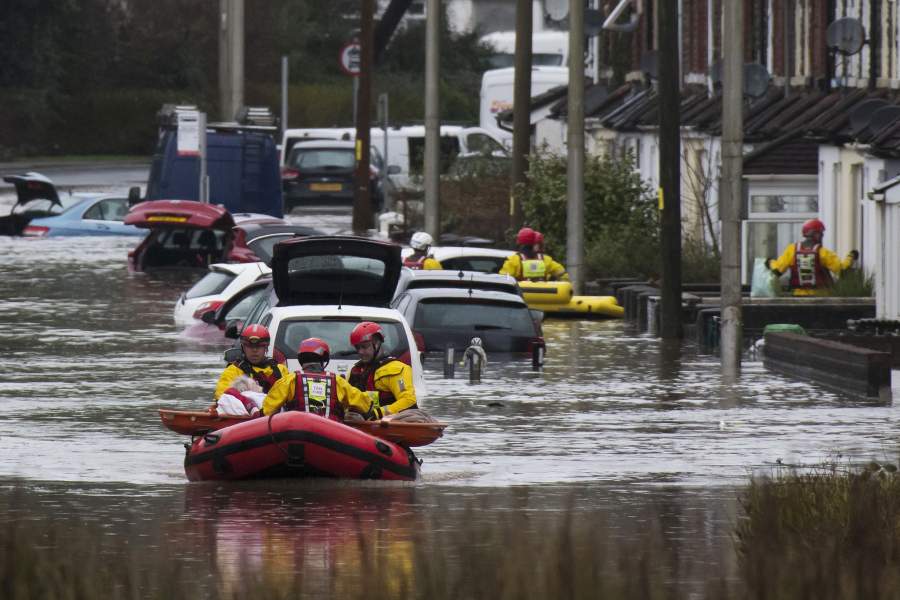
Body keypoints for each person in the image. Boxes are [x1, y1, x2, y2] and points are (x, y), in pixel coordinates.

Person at [261, 338, 382, 420]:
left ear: (300, 359)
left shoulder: (289, 381)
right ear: (324, 359)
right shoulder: (338, 382)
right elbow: (365, 405)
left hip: (297, 438)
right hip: (332, 440)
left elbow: (267, 410)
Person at [767, 218, 858, 296]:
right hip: (822, 297)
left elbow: (777, 270)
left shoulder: (792, 250)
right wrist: (851, 256)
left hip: (798, 297)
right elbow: (842, 270)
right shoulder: (823, 252)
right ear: (817, 234)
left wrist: (770, 262)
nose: (822, 236)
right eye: (821, 234)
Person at [347, 321, 418, 416]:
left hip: (389, 424)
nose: (360, 352)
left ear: (377, 343)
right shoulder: (355, 371)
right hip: (359, 423)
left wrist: (376, 414)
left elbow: (408, 400)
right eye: (357, 348)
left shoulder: (397, 370)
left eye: (364, 347)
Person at [214, 324, 290, 400]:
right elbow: (222, 397)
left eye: (259, 346)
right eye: (250, 346)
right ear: (243, 347)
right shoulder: (233, 371)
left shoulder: (280, 370)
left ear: (266, 347)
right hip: (245, 410)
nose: (254, 350)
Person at [499, 226, 569, 281]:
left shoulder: (514, 260)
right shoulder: (545, 260)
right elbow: (563, 275)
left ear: (519, 242)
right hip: (545, 296)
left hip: (521, 297)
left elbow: (504, 279)